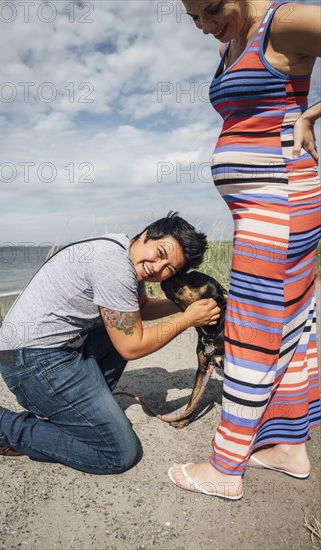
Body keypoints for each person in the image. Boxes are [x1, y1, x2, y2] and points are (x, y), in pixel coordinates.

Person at [168, 1, 321, 500]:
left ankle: (225, 468)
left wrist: (312, 115)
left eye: (212, 10)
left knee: (252, 331)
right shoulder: (229, 40)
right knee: (291, 323)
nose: (206, 26)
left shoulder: (284, 22)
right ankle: (289, 448)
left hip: (281, 202)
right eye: (193, 18)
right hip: (264, 208)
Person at [0, 212, 221, 474]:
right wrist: (187, 319)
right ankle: (5, 427)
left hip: (52, 350)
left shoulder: (123, 252)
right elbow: (132, 346)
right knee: (118, 453)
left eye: (169, 269)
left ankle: (81, 412)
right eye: (160, 253)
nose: (157, 268)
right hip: (28, 361)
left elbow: (141, 309)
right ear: (148, 234)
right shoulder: (113, 264)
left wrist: (184, 305)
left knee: (124, 325)